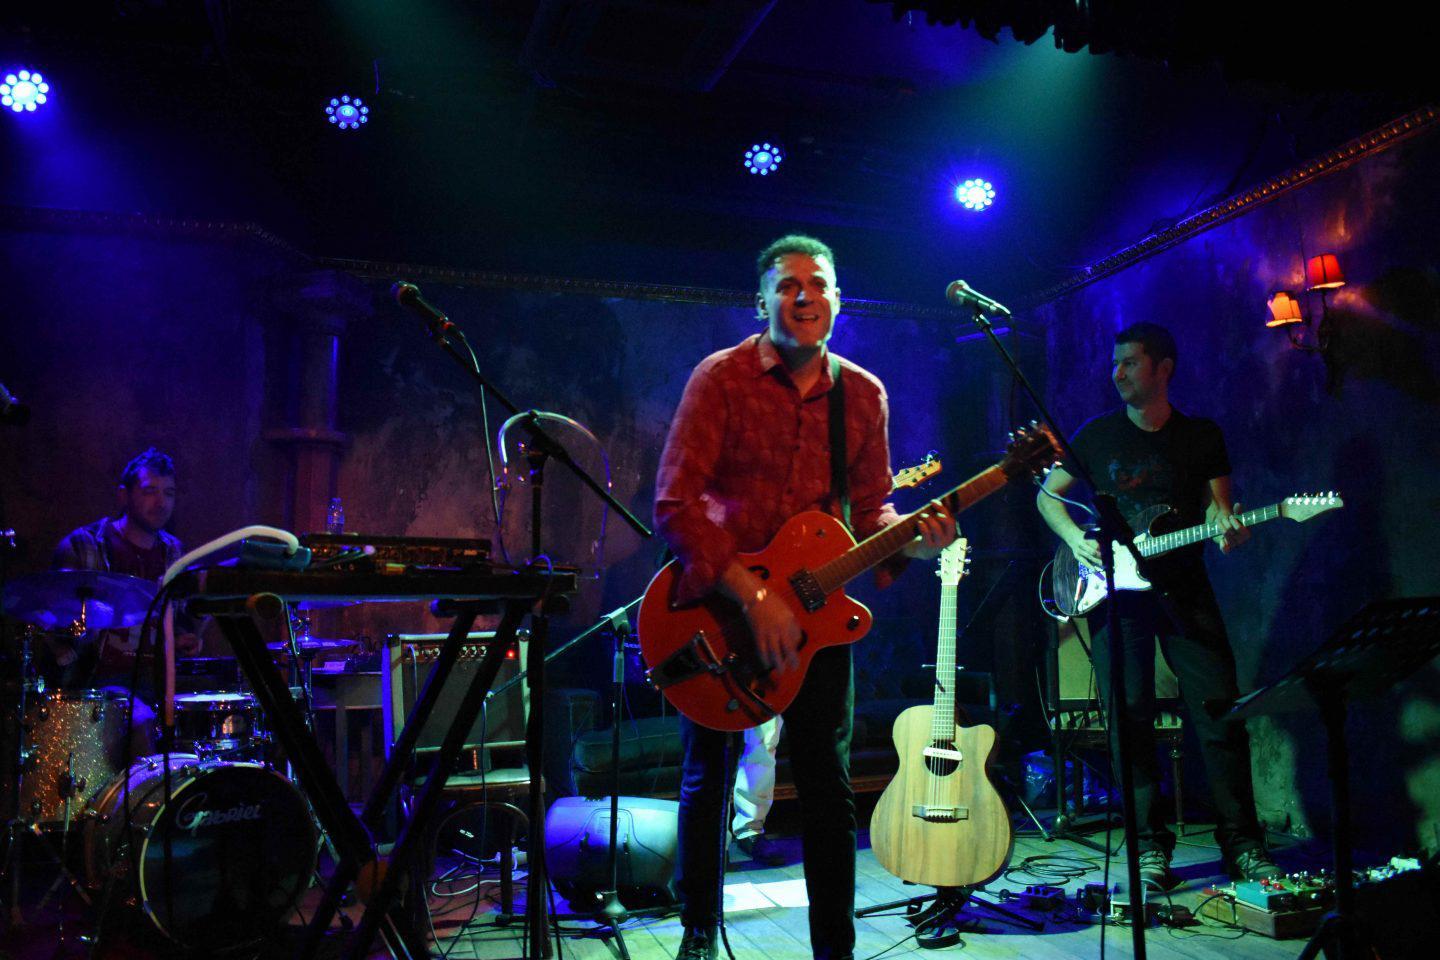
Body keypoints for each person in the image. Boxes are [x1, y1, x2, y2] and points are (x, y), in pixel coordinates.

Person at [655, 235, 955, 960]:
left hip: (816, 617)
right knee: (708, 776)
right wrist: (752, 597)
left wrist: (917, 541)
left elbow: (872, 512)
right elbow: (675, 504)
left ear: (838, 301)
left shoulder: (864, 394)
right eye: (787, 283)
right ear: (760, 300)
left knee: (827, 785)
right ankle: (699, 929)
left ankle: (834, 950)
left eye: (818, 283)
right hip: (718, 611)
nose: (803, 295)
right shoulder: (720, 378)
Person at [1036, 322, 1281, 888]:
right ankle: (1148, 848)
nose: (1116, 373)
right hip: (1116, 596)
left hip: (1185, 589)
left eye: (1129, 362)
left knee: (1221, 712)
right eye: (1114, 363)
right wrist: (1075, 539)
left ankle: (1243, 845)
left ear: (1163, 369)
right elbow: (1049, 496)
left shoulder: (1201, 436)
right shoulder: (1097, 436)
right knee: (1128, 721)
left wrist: (1227, 528)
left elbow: (1219, 510)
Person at [49, 448, 198, 745]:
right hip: (96, 685)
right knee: (140, 720)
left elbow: (183, 620)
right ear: (123, 496)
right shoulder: (85, 545)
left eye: (169, 493)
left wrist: (185, 637)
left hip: (160, 684)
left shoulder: (175, 553)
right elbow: (54, 624)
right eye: (150, 491)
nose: (161, 503)